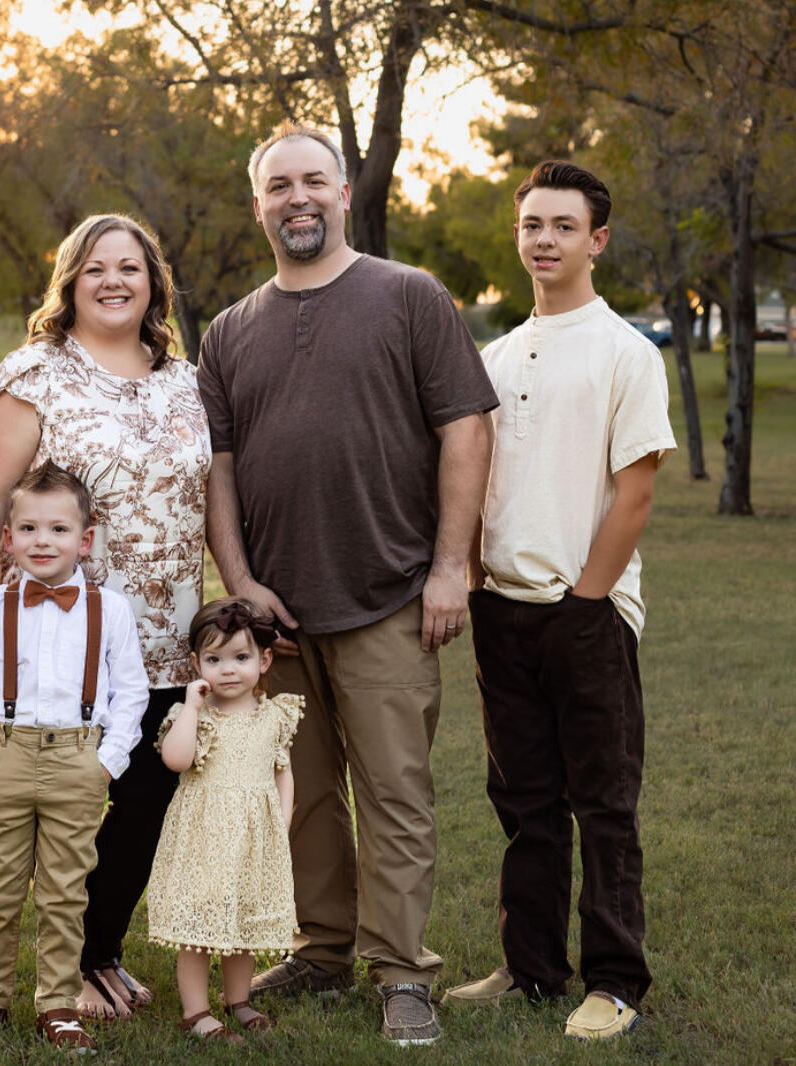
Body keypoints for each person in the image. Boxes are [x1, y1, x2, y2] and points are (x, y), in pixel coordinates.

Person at [196, 121, 497, 1047]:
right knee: (303, 796)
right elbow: (218, 469)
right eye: (278, 185)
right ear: (258, 205)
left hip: (390, 596)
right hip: (277, 617)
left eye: (312, 181)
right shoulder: (228, 331)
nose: (297, 198)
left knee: (394, 793)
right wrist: (241, 584)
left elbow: (466, 429)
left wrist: (449, 567)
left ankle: (401, 971)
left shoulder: (408, 296)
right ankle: (323, 950)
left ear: (342, 193)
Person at [0, 213, 211, 1020]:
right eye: (95, 268)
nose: (113, 281)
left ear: (153, 283)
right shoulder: (35, 373)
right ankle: (56, 972)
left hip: (167, 632)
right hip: (61, 637)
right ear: (70, 282)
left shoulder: (184, 379)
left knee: (145, 800)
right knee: (62, 808)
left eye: (129, 267)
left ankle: (97, 955)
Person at [442, 161, 675, 1042]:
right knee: (523, 803)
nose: (543, 240)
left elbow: (635, 494)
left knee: (603, 805)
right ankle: (531, 968)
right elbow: (471, 483)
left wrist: (585, 601)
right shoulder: (494, 358)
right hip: (501, 611)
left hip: (587, 612)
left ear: (596, 239)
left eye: (562, 226)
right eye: (531, 224)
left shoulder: (624, 353)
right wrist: (474, 581)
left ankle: (614, 982)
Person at [0, 462, 148, 1051]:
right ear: (8, 539)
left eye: (58, 529)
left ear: (86, 539)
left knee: (65, 891)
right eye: (28, 529)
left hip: (78, 761)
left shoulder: (110, 611)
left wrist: (106, 763)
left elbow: (131, 694)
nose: (42, 541)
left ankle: (58, 1005)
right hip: (5, 755)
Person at [148, 598, 303, 1044]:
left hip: (253, 839)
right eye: (214, 660)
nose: (228, 670)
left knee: (245, 922)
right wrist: (190, 709)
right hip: (202, 839)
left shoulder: (274, 716)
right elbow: (176, 760)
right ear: (197, 665)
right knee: (197, 927)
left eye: (240, 658)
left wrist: (281, 824)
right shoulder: (194, 716)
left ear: (264, 660)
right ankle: (195, 1012)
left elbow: (283, 771)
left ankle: (239, 1000)